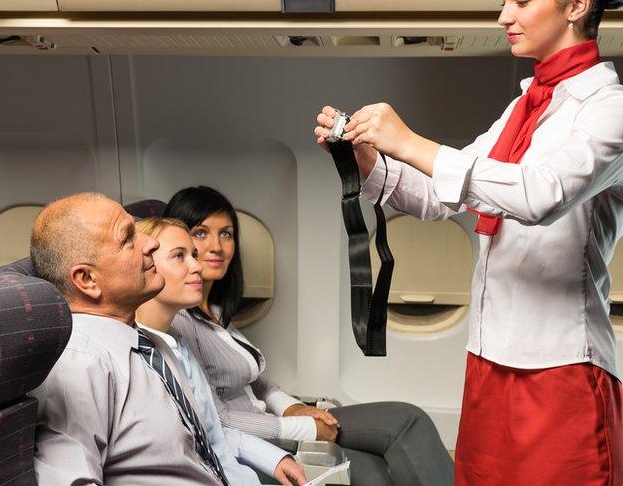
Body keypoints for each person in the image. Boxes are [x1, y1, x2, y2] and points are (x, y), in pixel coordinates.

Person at [313, 0, 623, 482]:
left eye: (521, 0)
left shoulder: (608, 110)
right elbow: (439, 195)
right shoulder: (522, 108)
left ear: (576, 6)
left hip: (562, 369)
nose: (504, 16)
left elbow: (537, 195)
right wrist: (367, 160)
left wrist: (408, 141)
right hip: (488, 361)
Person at [166, 186, 454, 486]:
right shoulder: (180, 321)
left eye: (226, 233)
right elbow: (218, 419)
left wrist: (293, 407)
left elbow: (256, 380)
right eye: (201, 233)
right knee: (376, 474)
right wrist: (303, 428)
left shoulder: (215, 309)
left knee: (407, 419)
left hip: (275, 420)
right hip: (258, 439)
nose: (217, 246)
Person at [29, 192, 226, 485]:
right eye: (128, 238)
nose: (151, 243)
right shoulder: (79, 364)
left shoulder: (148, 342)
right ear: (87, 280)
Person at [134, 217, 307, 485]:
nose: (197, 266)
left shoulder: (177, 343)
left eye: (193, 254)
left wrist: (274, 459)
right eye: (180, 256)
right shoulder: (135, 355)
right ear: (145, 266)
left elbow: (213, 432)